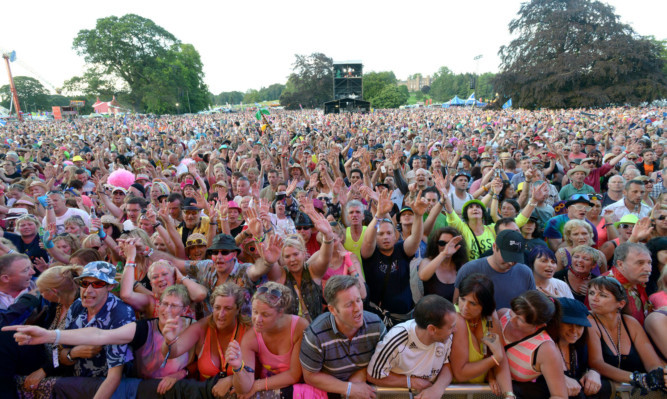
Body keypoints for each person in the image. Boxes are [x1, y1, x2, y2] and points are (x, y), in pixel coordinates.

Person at [54, 261, 136, 399]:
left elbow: (114, 377)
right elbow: (61, 355)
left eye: (97, 284)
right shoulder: (77, 306)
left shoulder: (121, 314)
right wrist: (73, 353)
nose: (88, 291)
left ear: (110, 286)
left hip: (110, 388)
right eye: (85, 283)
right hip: (78, 381)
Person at [0, 265, 81, 399]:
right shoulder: (56, 306)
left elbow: (70, 352)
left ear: (54, 292)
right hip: (44, 353)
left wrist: (44, 370)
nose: (40, 294)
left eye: (42, 291)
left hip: (60, 363)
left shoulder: (79, 310)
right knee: (6, 339)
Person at [300, 275, 384, 399]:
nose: (357, 309)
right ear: (332, 310)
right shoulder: (316, 334)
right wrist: (349, 388)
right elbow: (310, 376)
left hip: (367, 387)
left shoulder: (376, 324)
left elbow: (385, 361)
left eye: (358, 300)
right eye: (349, 304)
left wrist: (360, 375)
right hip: (330, 391)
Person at [586, 276, 666, 394]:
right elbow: (596, 363)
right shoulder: (588, 320)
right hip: (606, 390)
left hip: (635, 389)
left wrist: (659, 376)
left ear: (621, 304)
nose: (594, 298)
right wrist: (638, 378)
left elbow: (652, 363)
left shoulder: (630, 322)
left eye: (602, 295)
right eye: (591, 293)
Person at [227, 282, 309, 398]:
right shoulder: (251, 337)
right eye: (255, 312)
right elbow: (245, 388)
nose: (257, 319)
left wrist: (257, 385)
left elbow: (294, 375)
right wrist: (237, 368)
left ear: (280, 312)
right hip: (268, 390)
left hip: (296, 391)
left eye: (265, 315)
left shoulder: (299, 327)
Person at [366, 295, 456, 398]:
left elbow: (448, 365)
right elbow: (373, 375)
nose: (455, 330)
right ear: (432, 329)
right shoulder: (396, 340)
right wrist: (411, 382)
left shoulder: (445, 338)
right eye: (451, 327)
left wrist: (437, 389)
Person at [360, 190, 427, 326]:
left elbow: (415, 240)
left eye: (389, 233)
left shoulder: (401, 249)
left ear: (395, 235)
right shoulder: (370, 253)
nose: (385, 237)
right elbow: (367, 240)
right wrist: (378, 215)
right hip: (379, 318)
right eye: (381, 234)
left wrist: (419, 216)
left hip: (405, 317)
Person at [450, 274, 513, 396]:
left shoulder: (489, 318)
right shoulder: (457, 319)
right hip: (453, 391)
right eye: (462, 299)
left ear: (485, 305)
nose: (465, 307)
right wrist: (495, 359)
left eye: (473, 303)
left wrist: (509, 395)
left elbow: (501, 357)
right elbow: (461, 373)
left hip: (479, 390)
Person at [499, 290, 567, 399]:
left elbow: (559, 396)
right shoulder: (502, 315)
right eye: (514, 311)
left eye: (520, 319)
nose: (511, 319)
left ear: (539, 326)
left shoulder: (546, 350)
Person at [454, 230, 536, 310]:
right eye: (507, 257)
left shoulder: (525, 273)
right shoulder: (469, 269)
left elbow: (531, 306)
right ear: (494, 247)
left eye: (515, 258)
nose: (510, 263)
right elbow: (456, 304)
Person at [550, 297, 612, 399]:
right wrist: (559, 378)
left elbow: (585, 370)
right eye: (568, 323)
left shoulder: (579, 347)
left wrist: (593, 373)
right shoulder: (544, 345)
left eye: (579, 325)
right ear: (555, 322)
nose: (574, 330)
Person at [603, 242, 652, 325]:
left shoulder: (635, 278)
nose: (648, 269)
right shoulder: (605, 287)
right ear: (620, 264)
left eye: (649, 263)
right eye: (640, 263)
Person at [418, 227, 468, 302]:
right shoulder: (427, 261)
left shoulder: (461, 266)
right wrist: (444, 254)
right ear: (436, 244)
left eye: (451, 243)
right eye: (442, 243)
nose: (447, 246)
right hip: (430, 311)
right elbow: (423, 276)